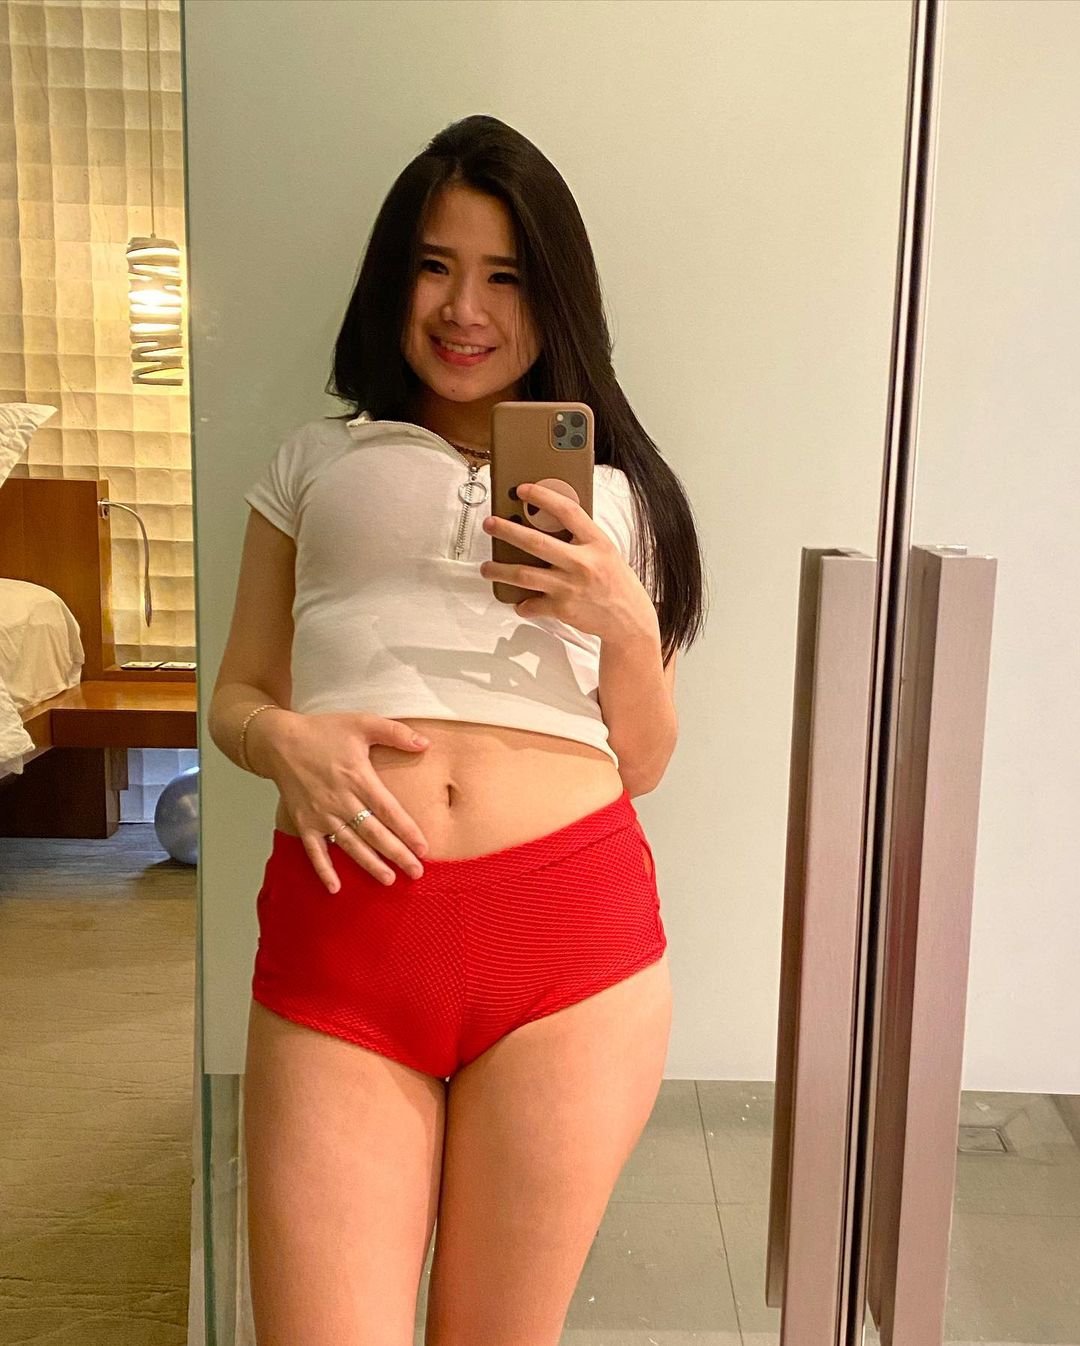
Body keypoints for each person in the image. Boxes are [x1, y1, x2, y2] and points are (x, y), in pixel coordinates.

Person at [208, 114, 707, 1346]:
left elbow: (645, 759)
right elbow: (237, 694)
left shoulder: (615, 496)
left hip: (567, 947)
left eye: (505, 276)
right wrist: (284, 741)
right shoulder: (315, 459)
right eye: (434, 266)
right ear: (393, 279)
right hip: (348, 932)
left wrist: (622, 619)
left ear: (555, 297)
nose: (463, 308)